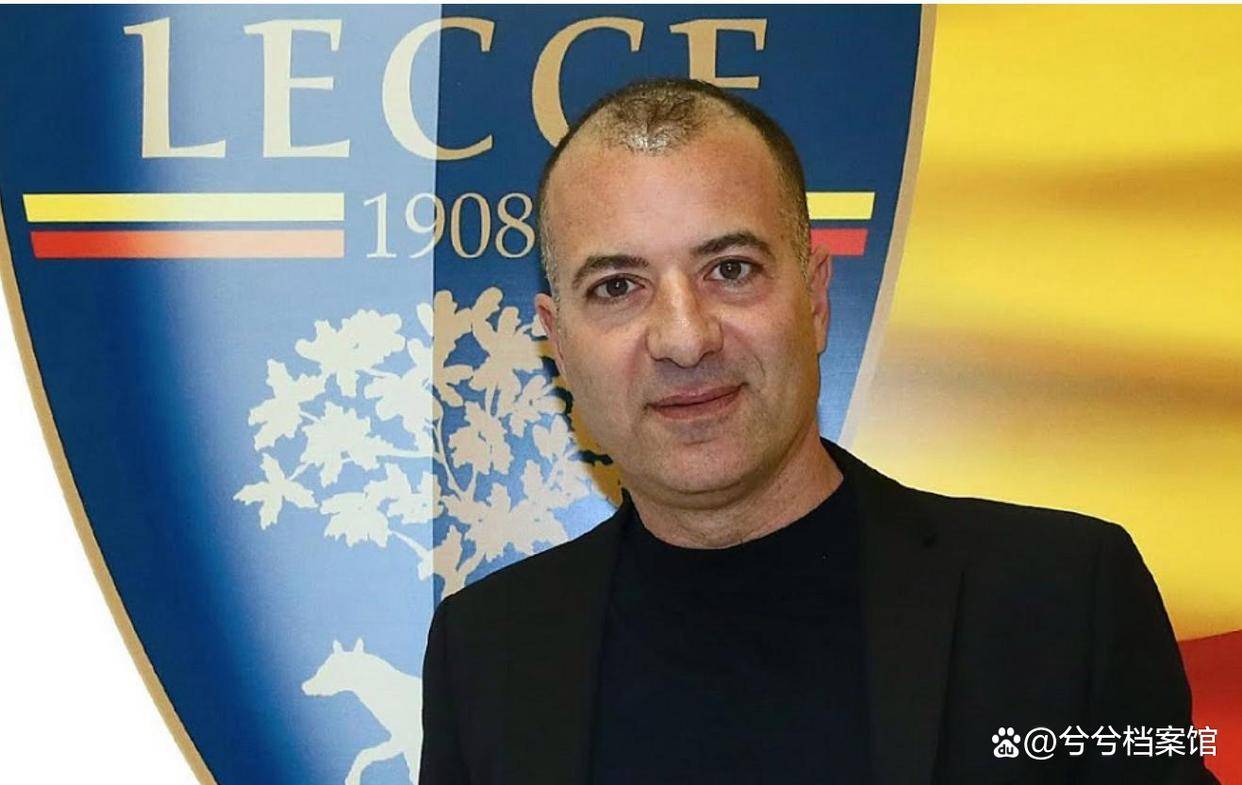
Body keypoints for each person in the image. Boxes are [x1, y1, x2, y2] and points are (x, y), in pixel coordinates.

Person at [418, 77, 1217, 785]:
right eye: (618, 286)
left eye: (730, 269)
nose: (685, 338)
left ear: (816, 297)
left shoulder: (1063, 601)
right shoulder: (486, 650)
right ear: (559, 343)